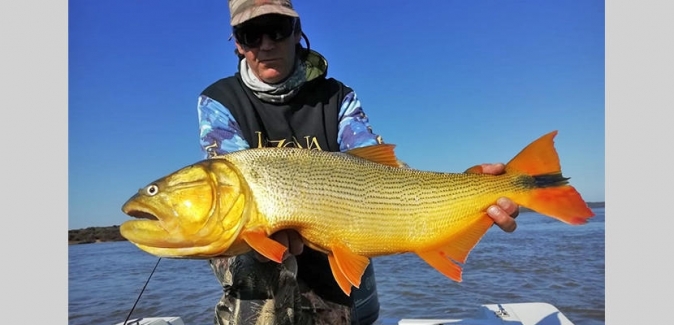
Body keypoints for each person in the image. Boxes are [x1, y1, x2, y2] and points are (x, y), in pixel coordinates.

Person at [195, 1, 520, 324]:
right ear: (238, 43)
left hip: (339, 234)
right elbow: (227, 188)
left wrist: (468, 188)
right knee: (254, 265)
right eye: (251, 33)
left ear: (296, 32)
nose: (265, 44)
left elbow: (379, 169)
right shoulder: (219, 101)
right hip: (255, 242)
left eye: (276, 30)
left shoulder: (337, 96)